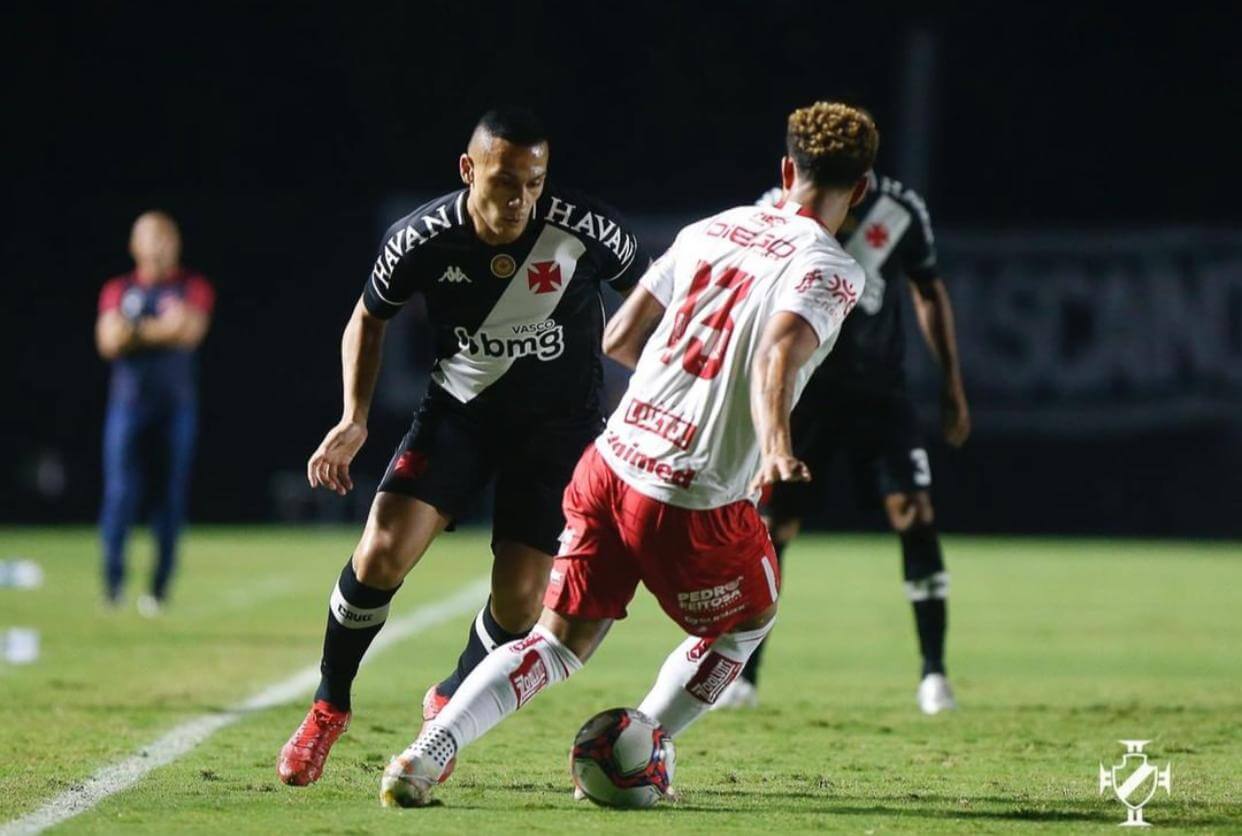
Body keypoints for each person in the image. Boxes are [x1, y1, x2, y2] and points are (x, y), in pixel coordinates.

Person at [377, 100, 877, 808]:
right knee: (747, 623)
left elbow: (621, 338)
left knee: (554, 642)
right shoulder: (831, 268)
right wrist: (772, 446)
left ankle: (427, 754)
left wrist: (669, 399)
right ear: (859, 189)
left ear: (787, 170)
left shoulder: (712, 228)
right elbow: (777, 353)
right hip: (690, 496)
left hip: (610, 462)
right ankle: (646, 743)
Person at [277, 107, 646, 786]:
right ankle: (329, 704)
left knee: (521, 602)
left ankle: (448, 700)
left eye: (534, 183)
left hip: (559, 434)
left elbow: (651, 302)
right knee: (382, 550)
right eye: (506, 181)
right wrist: (354, 417)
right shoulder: (421, 236)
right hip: (460, 417)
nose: (521, 199)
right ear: (468, 169)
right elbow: (368, 317)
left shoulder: (586, 229)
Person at [715, 170, 970, 714]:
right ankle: (743, 676)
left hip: (880, 393)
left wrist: (951, 383)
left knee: (913, 510)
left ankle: (934, 673)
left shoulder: (899, 210)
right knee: (772, 524)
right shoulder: (777, 206)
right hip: (804, 395)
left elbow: (929, 289)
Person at [95, 211, 215, 616]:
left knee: (169, 498)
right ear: (135, 245)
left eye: (168, 236)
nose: (161, 245)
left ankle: (158, 590)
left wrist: (134, 330)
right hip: (127, 406)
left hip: (175, 407)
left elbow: (188, 331)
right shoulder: (118, 288)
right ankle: (112, 586)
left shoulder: (191, 286)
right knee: (119, 495)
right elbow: (108, 340)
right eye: (152, 237)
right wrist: (158, 328)